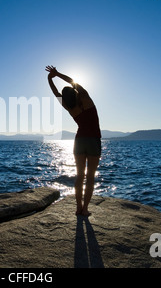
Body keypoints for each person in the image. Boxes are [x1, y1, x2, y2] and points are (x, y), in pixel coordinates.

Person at [46, 65, 101, 216]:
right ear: (75, 92)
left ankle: (78, 208)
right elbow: (72, 81)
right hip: (94, 140)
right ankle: (85, 210)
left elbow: (56, 93)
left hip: (79, 140)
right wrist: (57, 74)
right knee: (90, 177)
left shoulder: (69, 107)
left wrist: (49, 79)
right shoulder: (85, 97)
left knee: (79, 176)